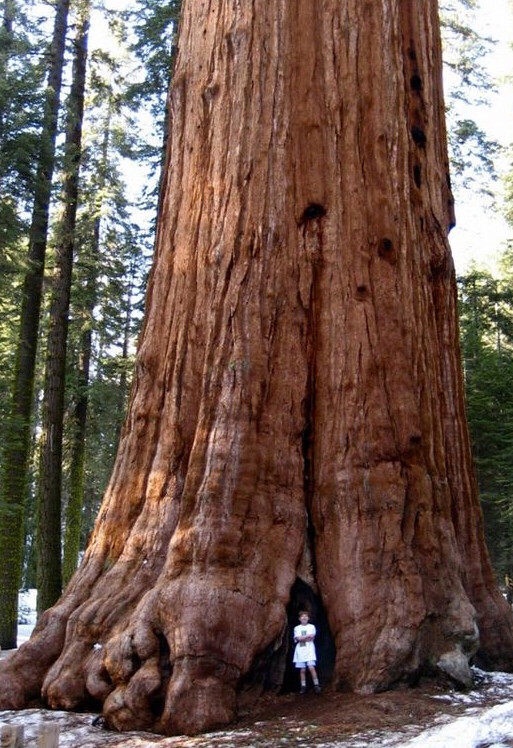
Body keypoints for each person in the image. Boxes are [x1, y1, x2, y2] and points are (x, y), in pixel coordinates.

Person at [293, 610, 321, 694]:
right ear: (299, 619)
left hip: (309, 649)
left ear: (308, 618)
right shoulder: (297, 628)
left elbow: (312, 637)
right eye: (302, 616)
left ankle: (316, 685)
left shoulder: (312, 627)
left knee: (311, 667)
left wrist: (302, 637)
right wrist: (307, 636)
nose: (304, 617)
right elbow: (298, 638)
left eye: (306, 616)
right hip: (300, 650)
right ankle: (303, 686)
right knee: (302, 670)